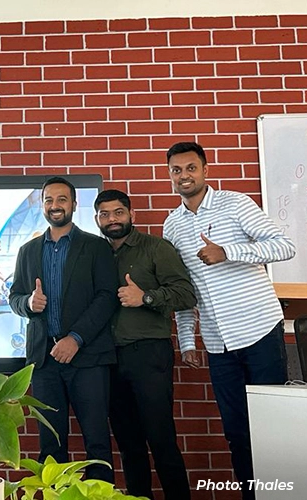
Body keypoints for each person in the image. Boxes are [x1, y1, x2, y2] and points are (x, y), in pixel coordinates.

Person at [162, 142, 295, 500]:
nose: (184, 176)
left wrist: (228, 252)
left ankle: (282, 495)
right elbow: (184, 290)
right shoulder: (171, 226)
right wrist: (188, 340)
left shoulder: (234, 203)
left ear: (205, 170)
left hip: (259, 331)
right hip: (218, 342)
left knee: (273, 428)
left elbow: (284, 246)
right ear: (170, 175)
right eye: (177, 170)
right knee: (236, 432)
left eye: (191, 168)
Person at [9, 176, 118, 482]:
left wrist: (76, 338)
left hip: (89, 359)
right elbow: (14, 298)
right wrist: (29, 302)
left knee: (97, 443)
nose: (54, 206)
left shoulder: (96, 247)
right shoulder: (27, 251)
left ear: (73, 204)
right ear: (42, 205)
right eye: (48, 200)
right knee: (50, 447)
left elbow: (107, 297)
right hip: (44, 363)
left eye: (61, 200)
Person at [94, 189, 195, 500]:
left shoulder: (156, 248)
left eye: (118, 212)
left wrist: (145, 297)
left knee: (161, 439)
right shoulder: (95, 255)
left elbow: (186, 294)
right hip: (109, 360)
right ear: (97, 219)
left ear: (131, 215)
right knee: (128, 444)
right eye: (105, 214)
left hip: (149, 355)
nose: (112, 219)